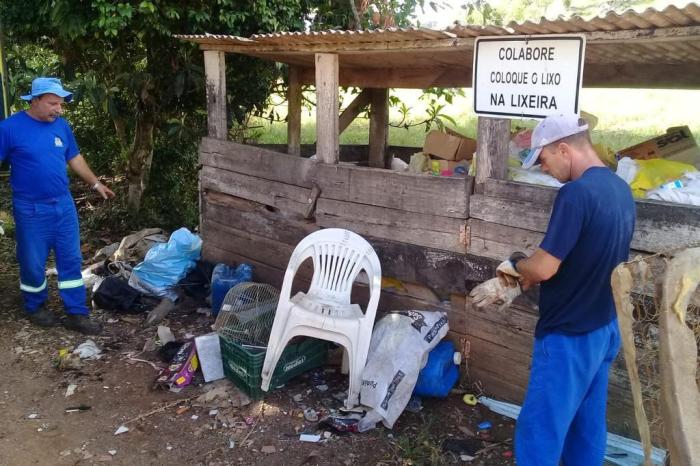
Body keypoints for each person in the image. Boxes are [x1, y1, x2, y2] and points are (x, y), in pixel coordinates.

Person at [471, 114, 635, 465]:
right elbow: (590, 255)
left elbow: (545, 267)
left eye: (543, 160)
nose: (544, 169)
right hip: (604, 327)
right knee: (586, 426)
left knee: (540, 429)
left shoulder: (576, 194)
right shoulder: (619, 189)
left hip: (569, 334)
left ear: (564, 149)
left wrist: (517, 267)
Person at [0, 77, 115, 335]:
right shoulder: (9, 129)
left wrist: (96, 184)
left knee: (71, 260)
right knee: (32, 262)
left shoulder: (61, 126)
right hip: (30, 208)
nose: (58, 110)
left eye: (61, 105)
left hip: (63, 206)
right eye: (53, 104)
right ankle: (35, 306)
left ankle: (76, 313)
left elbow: (74, 157)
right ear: (36, 100)